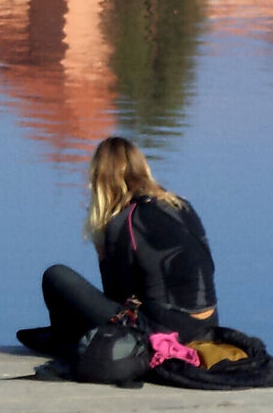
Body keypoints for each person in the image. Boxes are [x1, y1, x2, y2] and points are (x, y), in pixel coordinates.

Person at [27, 137, 218, 354]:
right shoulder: (181, 206)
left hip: (166, 332)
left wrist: (103, 254)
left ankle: (65, 342)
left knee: (56, 276)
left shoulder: (124, 222)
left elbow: (118, 302)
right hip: (208, 327)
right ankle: (68, 338)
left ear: (100, 182)